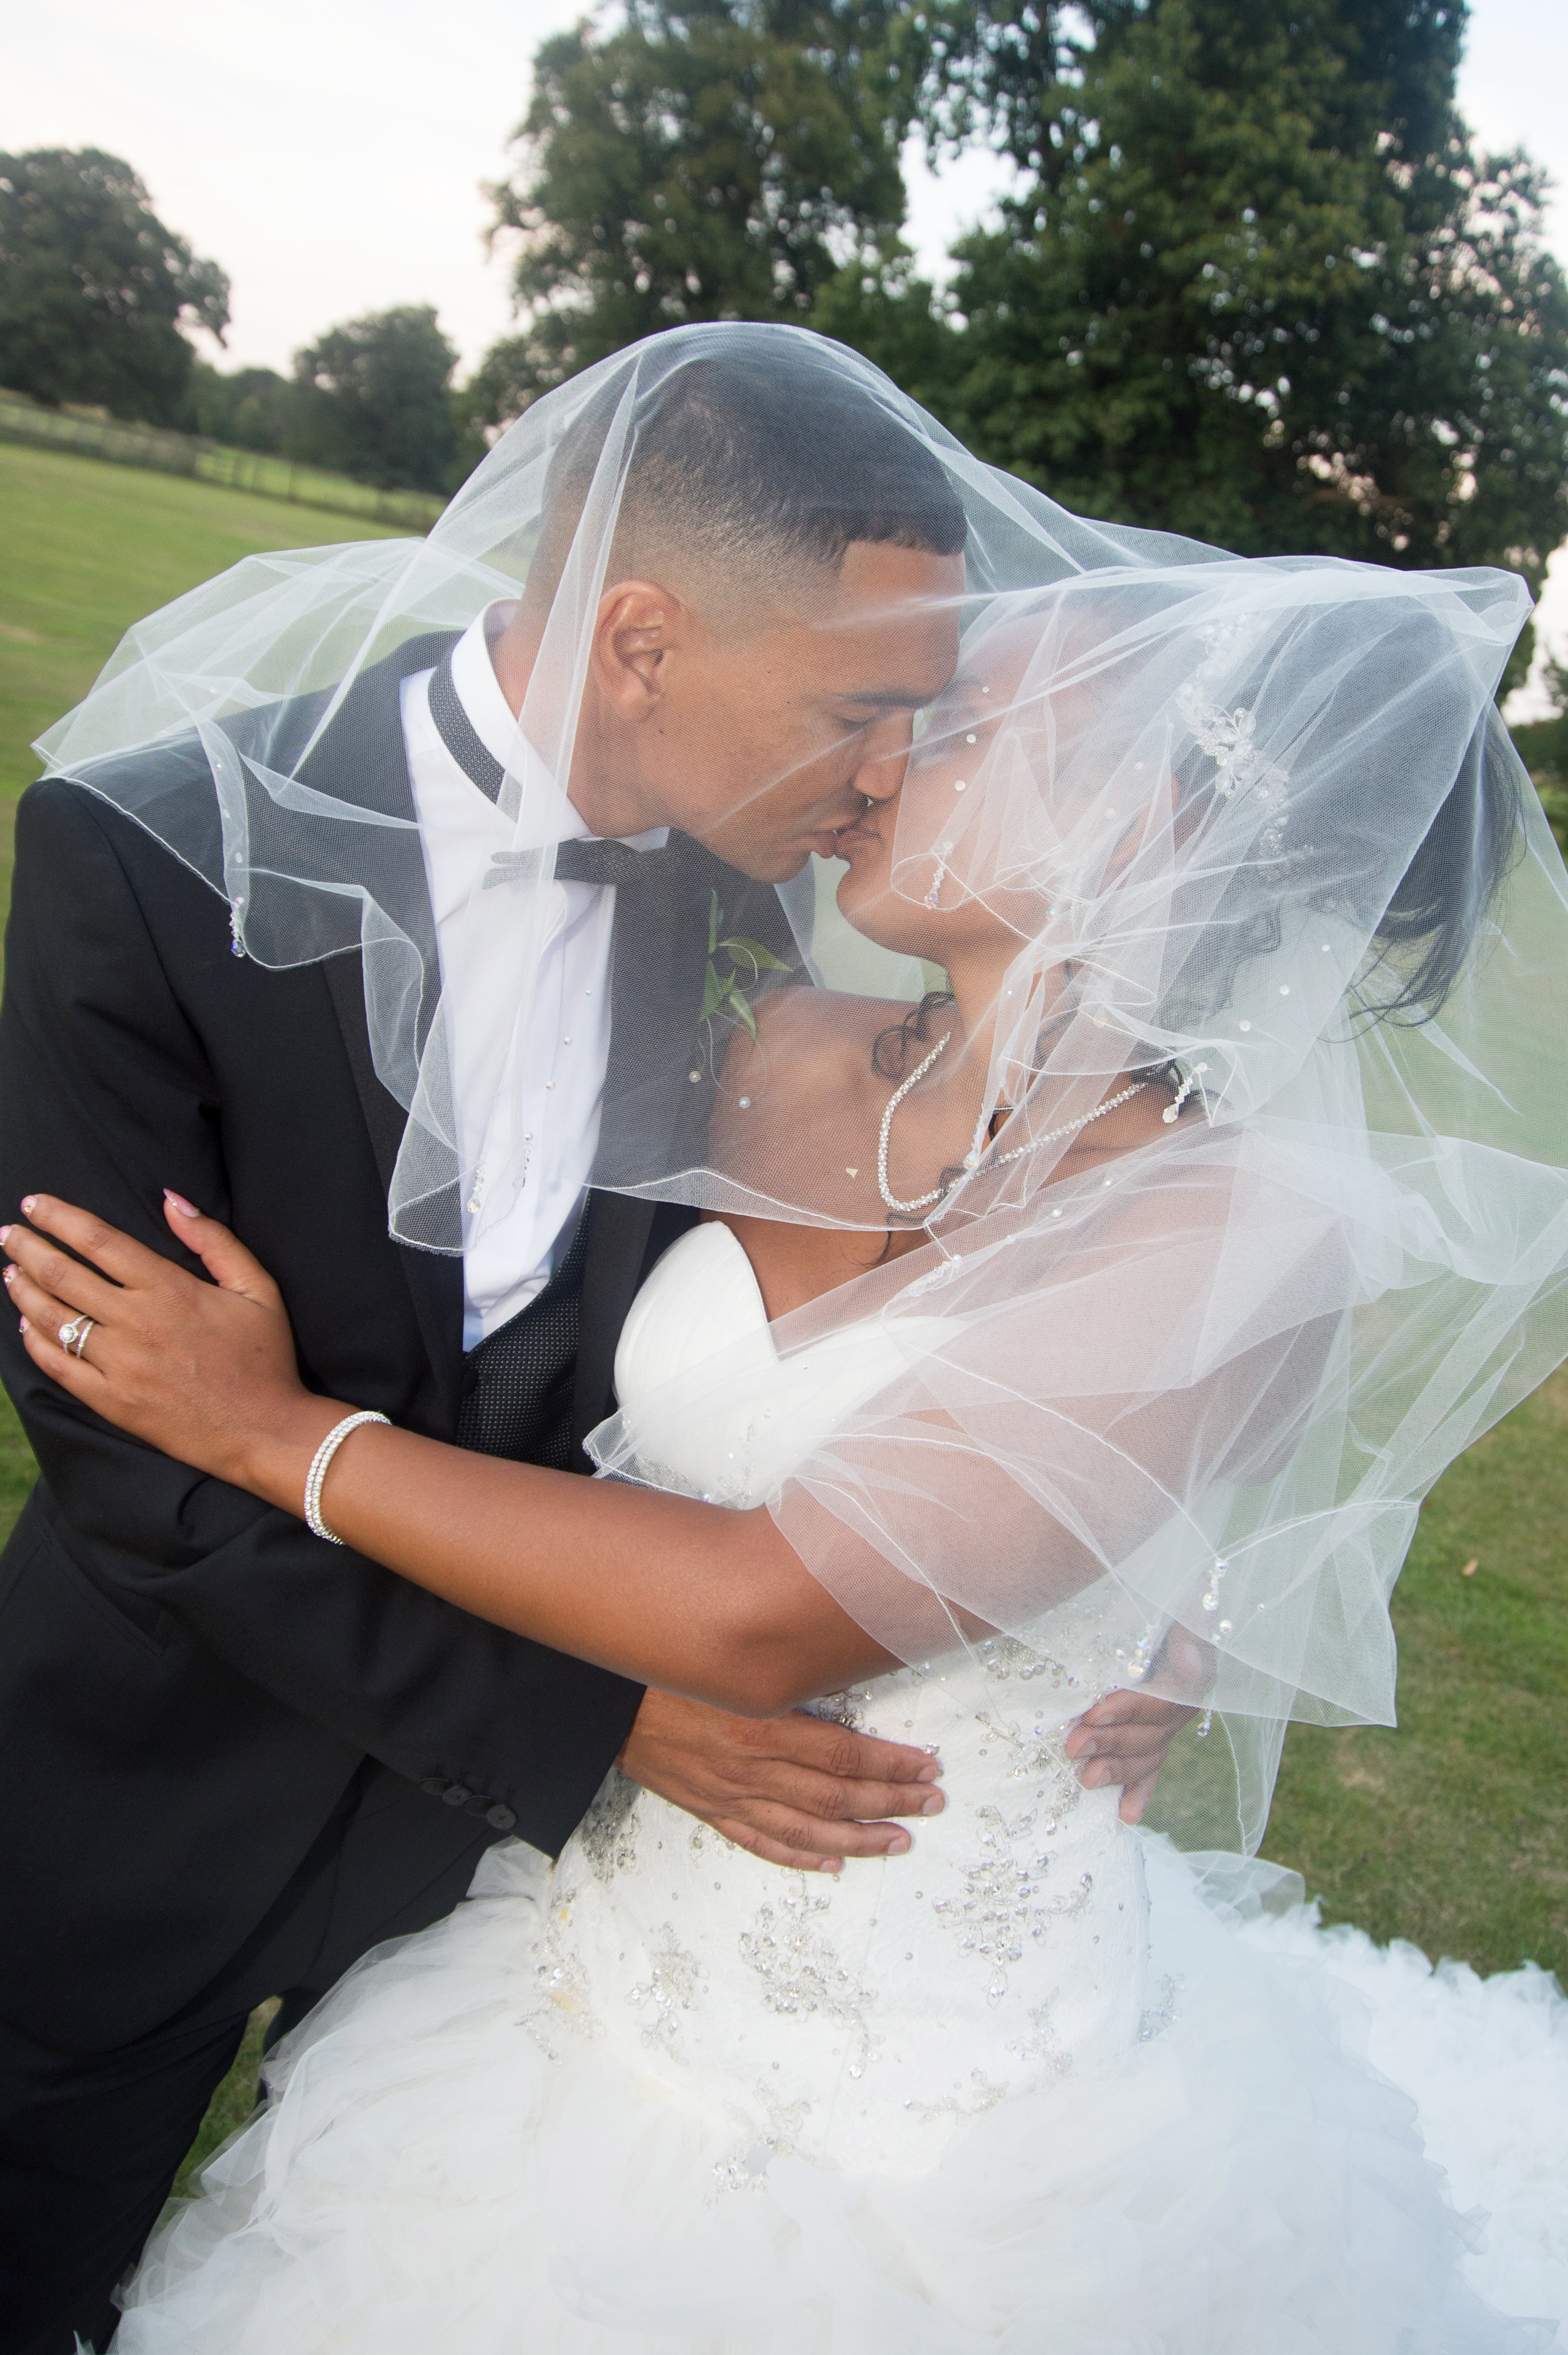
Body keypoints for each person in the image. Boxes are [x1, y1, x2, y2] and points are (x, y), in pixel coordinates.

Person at [8, 402, 1568, 2344]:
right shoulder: (765, 1036)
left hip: (848, 1990)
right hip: (206, 1788)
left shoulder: (775, 945)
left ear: (1144, 832)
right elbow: (127, 1417)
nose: (891, 764)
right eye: (879, 707)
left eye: (959, 722)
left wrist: (1152, 1585)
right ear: (645, 640)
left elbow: (876, 1518)